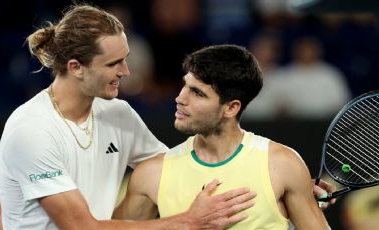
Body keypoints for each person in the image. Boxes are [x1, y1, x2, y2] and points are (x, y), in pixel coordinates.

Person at [0, 4, 256, 230]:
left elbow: (172, 171)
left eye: (126, 58)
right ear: (76, 67)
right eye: (113, 63)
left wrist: (256, 185)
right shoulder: (32, 129)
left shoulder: (118, 113)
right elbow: (81, 227)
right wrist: (189, 222)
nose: (126, 71)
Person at [112, 45, 331, 229]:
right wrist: (187, 222)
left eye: (197, 93)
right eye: (185, 86)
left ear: (231, 108)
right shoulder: (151, 174)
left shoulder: (282, 165)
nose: (180, 98)